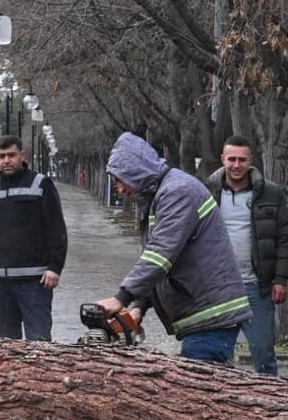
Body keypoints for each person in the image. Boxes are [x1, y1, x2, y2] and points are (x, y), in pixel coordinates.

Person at [97, 132, 251, 364]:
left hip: (212, 316)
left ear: (134, 170)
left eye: (120, 180)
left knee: (202, 393)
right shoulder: (161, 196)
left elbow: (160, 255)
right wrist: (140, 307)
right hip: (204, 316)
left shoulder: (177, 192)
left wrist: (122, 297)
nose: (119, 189)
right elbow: (162, 261)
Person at [204, 135, 288, 376]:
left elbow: (285, 239)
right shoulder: (206, 191)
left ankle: (270, 401)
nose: (236, 165)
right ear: (222, 159)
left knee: (264, 353)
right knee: (217, 353)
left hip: (258, 287)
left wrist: (280, 279)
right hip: (219, 286)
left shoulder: (271, 193)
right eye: (231, 159)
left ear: (250, 161)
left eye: (241, 160)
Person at [0, 135, 68, 341]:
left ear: (22, 155)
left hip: (34, 282)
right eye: (1, 156)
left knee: (38, 345)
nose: (6, 160)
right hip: (0, 283)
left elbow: (56, 228)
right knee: (4, 347)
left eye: (11, 155)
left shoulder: (41, 185)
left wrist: (54, 268)